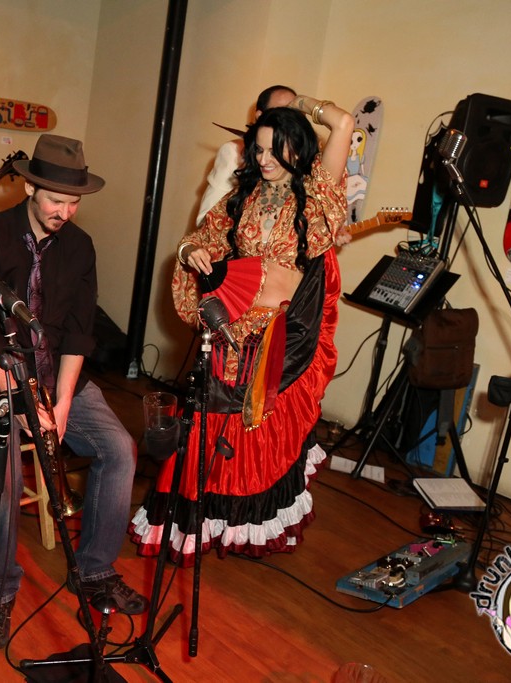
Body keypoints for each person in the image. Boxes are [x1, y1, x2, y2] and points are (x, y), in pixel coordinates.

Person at [130, 94, 354, 563]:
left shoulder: (318, 194)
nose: (264, 159)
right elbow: (198, 239)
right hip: (232, 327)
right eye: (259, 150)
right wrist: (191, 252)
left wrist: (302, 104)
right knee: (209, 423)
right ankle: (198, 525)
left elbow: (344, 122)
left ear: (298, 147)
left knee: (258, 428)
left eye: (275, 149)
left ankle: (244, 527)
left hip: (280, 334)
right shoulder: (242, 198)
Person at [0, 134, 147, 649]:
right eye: (56, 201)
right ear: (30, 188)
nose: (65, 212)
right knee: (6, 466)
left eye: (74, 202)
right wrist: (22, 402)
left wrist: (60, 405)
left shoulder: (80, 247)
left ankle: (95, 571)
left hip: (55, 377)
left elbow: (80, 334)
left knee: (120, 449)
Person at [195, 85, 297, 226]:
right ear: (260, 116)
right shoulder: (235, 152)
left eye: (296, 114)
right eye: (280, 113)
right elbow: (206, 220)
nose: (288, 122)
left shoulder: (304, 157)